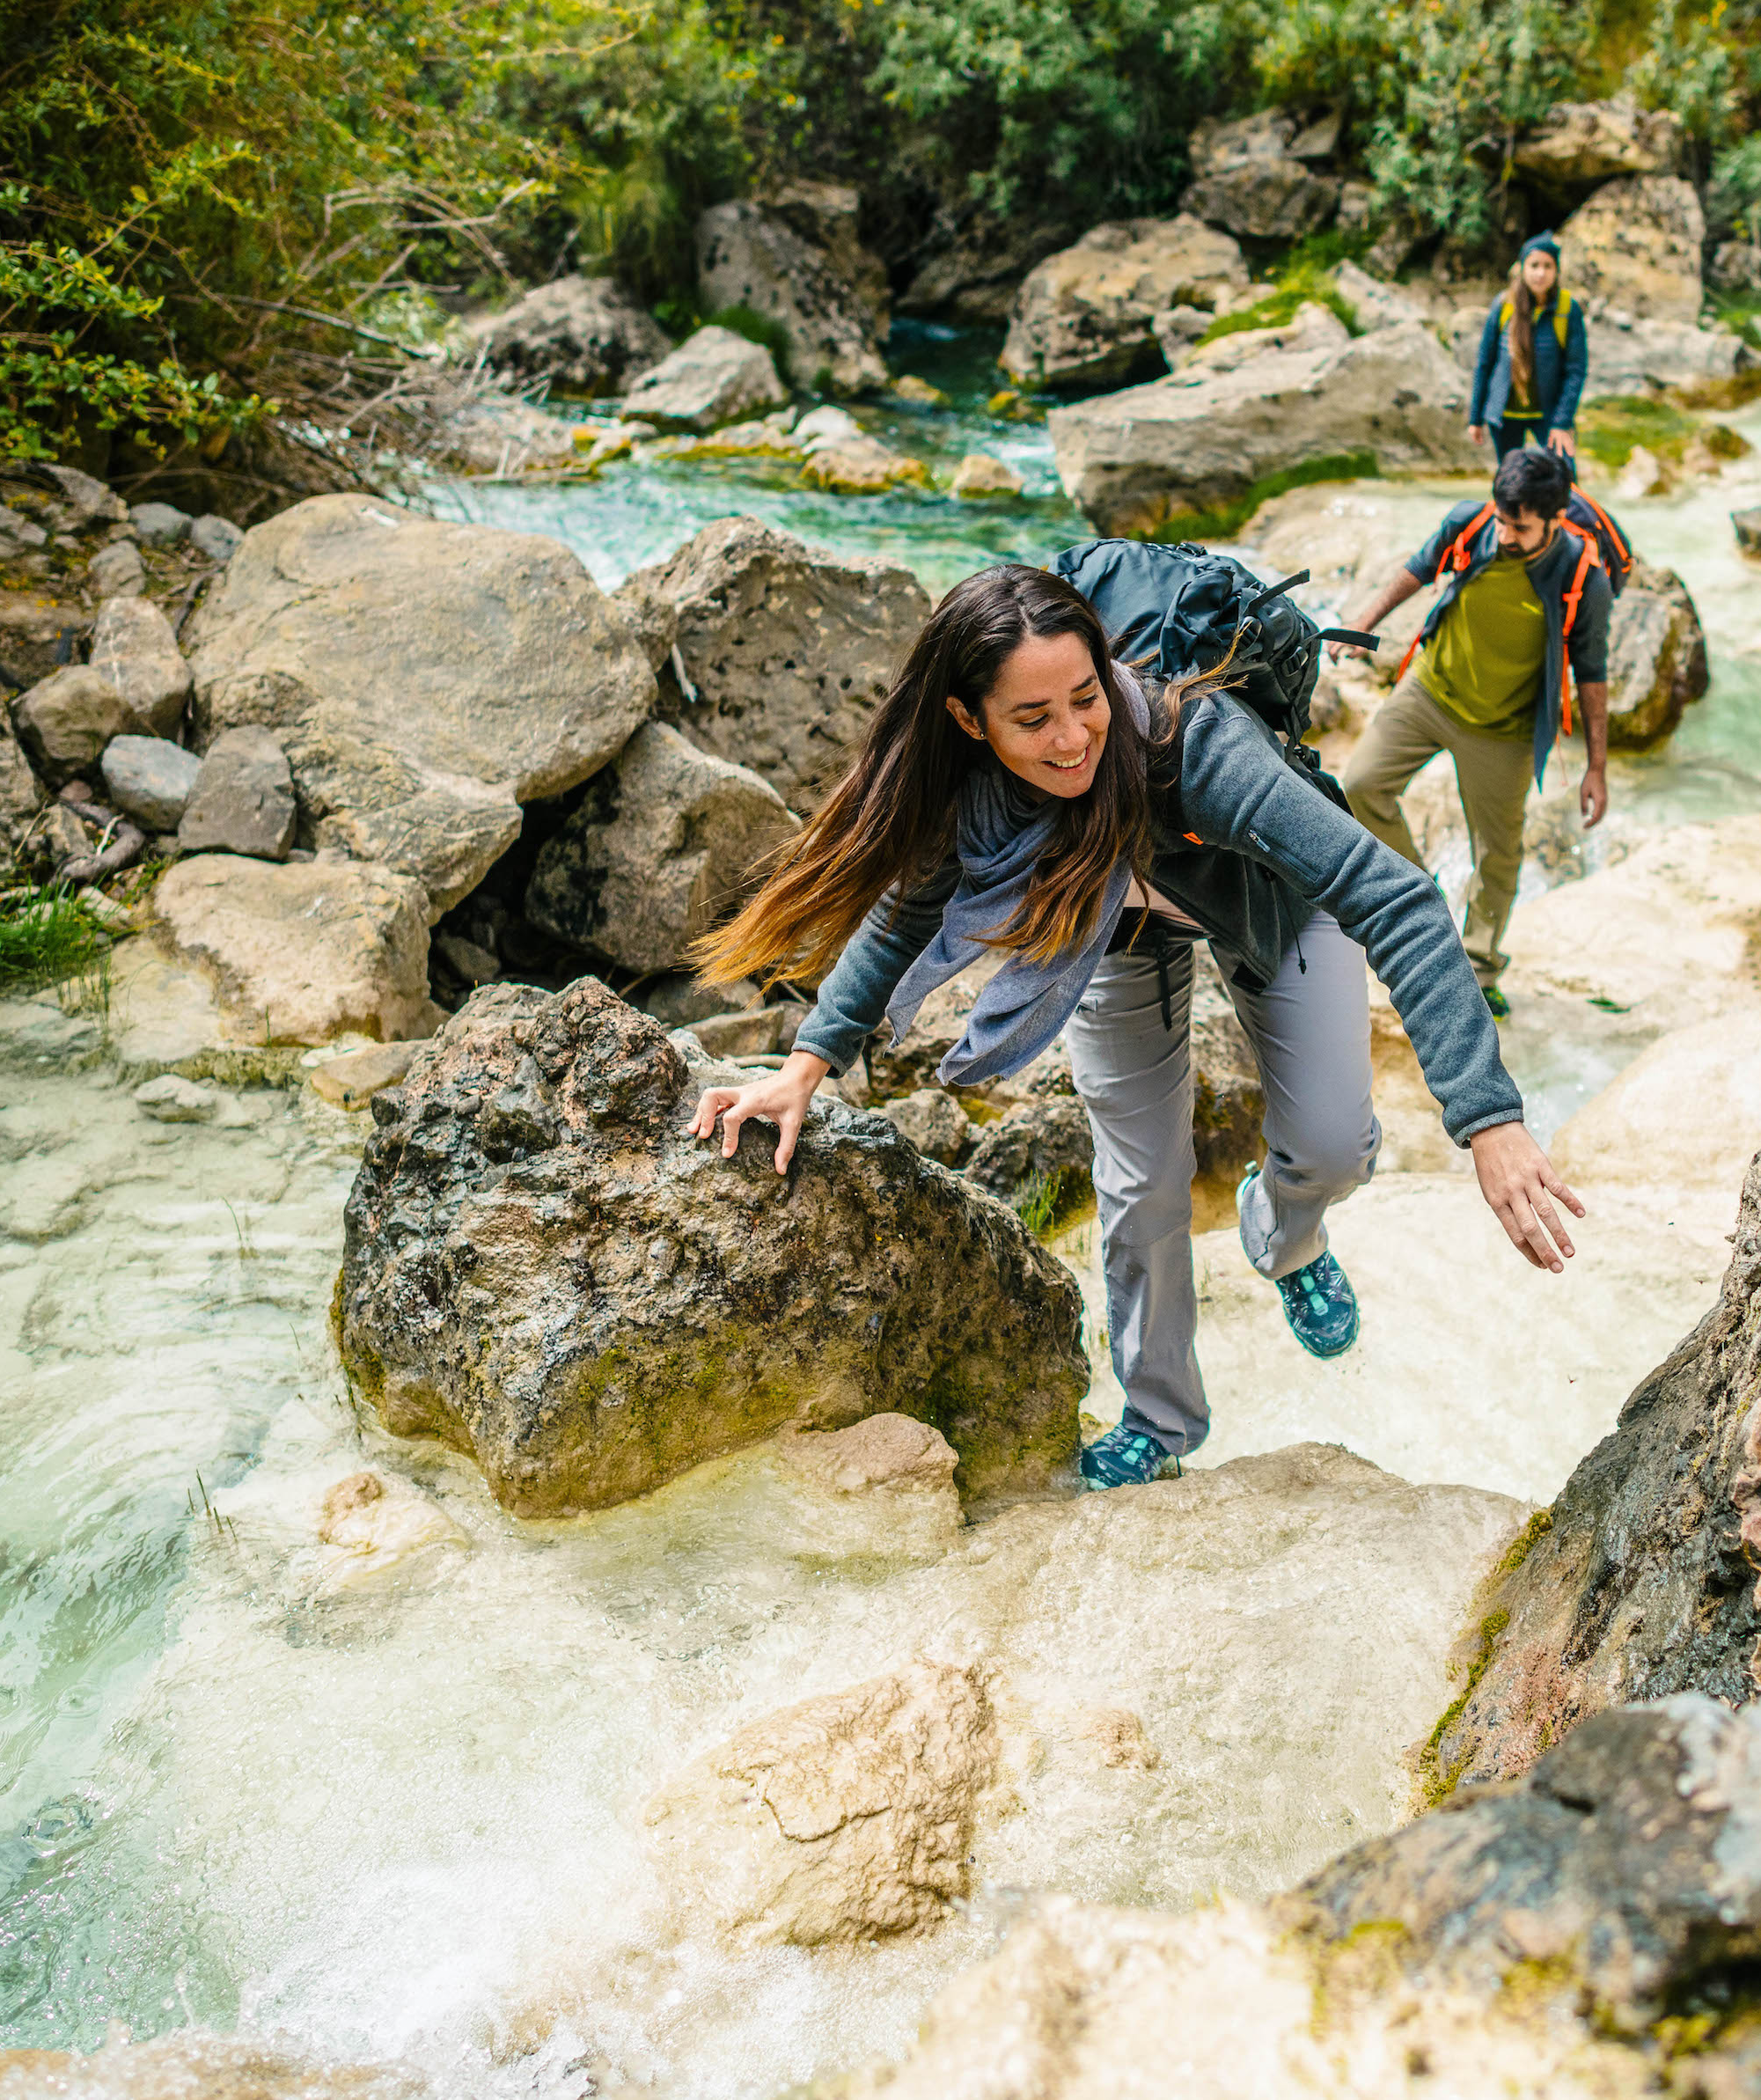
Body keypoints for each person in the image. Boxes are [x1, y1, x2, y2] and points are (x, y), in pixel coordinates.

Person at [684, 564, 1587, 1493]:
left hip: (1263, 902)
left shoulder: (1191, 744)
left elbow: (1394, 898)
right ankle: (1158, 1420)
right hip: (1105, 932)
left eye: (1086, 699)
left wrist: (1487, 1116)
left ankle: (1285, 1236)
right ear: (968, 720)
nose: (1072, 738)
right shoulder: (965, 792)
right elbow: (902, 915)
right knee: (1139, 1183)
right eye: (1032, 721)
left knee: (1332, 1148)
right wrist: (806, 1064)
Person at [1335, 446, 1613, 1015]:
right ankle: (1422, 895)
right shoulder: (1472, 523)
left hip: (1504, 729)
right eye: (1503, 518)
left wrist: (1598, 767)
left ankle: (1479, 967)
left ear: (1555, 519)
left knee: (1499, 854)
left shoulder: (1584, 580)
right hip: (1430, 691)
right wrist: (1360, 623)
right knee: (1359, 784)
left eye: (1521, 526)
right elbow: (1416, 568)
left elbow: (1592, 675)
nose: (1507, 533)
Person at [1466, 237, 1585, 465]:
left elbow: (1576, 370)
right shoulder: (1503, 305)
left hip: (1549, 413)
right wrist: (1476, 418)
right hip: (1505, 413)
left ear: (1556, 271)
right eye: (1534, 266)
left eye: (1547, 266)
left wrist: (1562, 422)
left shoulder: (1567, 309)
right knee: (1511, 486)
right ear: (1522, 269)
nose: (1540, 273)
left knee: (1565, 478)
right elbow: (1485, 362)